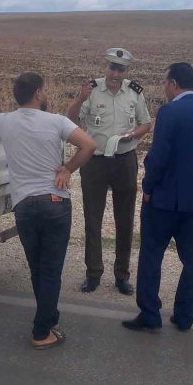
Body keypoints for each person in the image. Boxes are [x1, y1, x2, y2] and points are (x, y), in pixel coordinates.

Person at [0, 72, 96, 350]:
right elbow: (89, 145)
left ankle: (49, 319)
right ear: (38, 93)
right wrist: (68, 169)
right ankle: (41, 332)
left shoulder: (3, 121)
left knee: (38, 269)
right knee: (50, 270)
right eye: (45, 89)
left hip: (24, 207)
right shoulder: (56, 121)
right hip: (54, 203)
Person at [121, 63, 193, 333]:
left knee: (151, 255)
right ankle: (185, 316)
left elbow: (159, 155)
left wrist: (147, 186)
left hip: (164, 198)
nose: (164, 86)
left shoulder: (169, 111)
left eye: (165, 82)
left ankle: (150, 314)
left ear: (174, 83)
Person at [65, 47, 152, 295]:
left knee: (125, 220)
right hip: (95, 162)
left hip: (125, 160)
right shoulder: (91, 90)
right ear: (106, 67)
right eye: (112, 68)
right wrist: (79, 99)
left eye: (120, 69)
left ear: (127, 71)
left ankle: (122, 275)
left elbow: (146, 123)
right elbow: (70, 121)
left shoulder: (134, 92)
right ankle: (93, 273)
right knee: (93, 219)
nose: (115, 74)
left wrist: (133, 134)